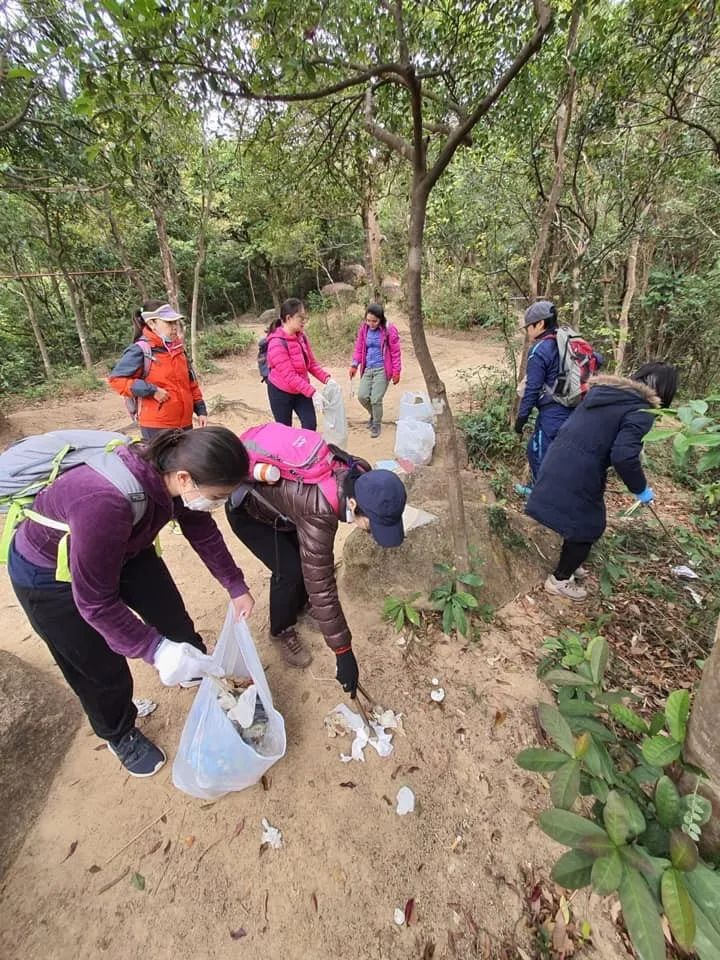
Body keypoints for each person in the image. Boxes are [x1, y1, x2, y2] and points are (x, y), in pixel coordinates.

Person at [7, 427, 255, 777]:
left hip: (126, 547)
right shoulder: (104, 501)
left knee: (171, 617)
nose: (215, 503)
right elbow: (95, 601)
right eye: (216, 496)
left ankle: (194, 666)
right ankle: (119, 732)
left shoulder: (176, 479)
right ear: (185, 478)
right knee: (99, 667)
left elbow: (201, 529)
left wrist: (235, 585)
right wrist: (155, 650)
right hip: (50, 575)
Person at [226, 441, 407, 695]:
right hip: (251, 512)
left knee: (302, 564)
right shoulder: (319, 512)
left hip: (286, 508)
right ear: (353, 505)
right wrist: (343, 653)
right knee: (290, 570)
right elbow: (321, 583)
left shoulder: (362, 472)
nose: (372, 533)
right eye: (372, 525)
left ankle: (300, 604)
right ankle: (281, 630)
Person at [526, 363, 678, 600]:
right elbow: (623, 456)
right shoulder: (641, 410)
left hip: (559, 455)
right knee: (589, 526)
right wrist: (641, 489)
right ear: (666, 391)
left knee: (576, 514)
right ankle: (560, 579)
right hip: (582, 467)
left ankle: (571, 562)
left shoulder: (606, 393)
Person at [109, 300, 208, 440]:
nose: (174, 327)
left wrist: (201, 410)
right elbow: (116, 380)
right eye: (169, 323)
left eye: (175, 322)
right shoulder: (140, 350)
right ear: (151, 324)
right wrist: (152, 390)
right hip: (157, 427)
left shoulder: (178, 349)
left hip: (185, 423)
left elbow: (190, 383)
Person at [514, 301, 575, 493]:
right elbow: (597, 359)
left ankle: (541, 499)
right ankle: (543, 492)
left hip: (553, 413)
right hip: (576, 409)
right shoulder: (569, 342)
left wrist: (521, 419)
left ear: (540, 324)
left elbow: (532, 389)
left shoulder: (540, 350)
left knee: (539, 453)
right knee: (562, 457)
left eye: (528, 327)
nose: (527, 331)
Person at [266, 298, 334, 431]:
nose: (304, 321)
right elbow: (290, 376)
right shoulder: (276, 343)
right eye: (300, 317)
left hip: (301, 389)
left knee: (310, 425)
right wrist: (313, 392)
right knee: (285, 431)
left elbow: (311, 364)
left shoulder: (301, 337)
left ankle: (307, 451)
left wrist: (327, 379)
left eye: (305, 317)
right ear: (288, 318)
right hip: (280, 392)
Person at [348, 303, 402, 438]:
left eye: (374, 321)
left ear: (381, 319)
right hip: (368, 368)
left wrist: (396, 371)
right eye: (368, 320)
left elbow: (395, 352)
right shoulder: (364, 329)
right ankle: (374, 414)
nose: (371, 323)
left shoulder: (389, 330)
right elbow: (359, 347)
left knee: (376, 399)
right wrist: (354, 364)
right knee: (362, 396)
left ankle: (376, 423)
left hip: (382, 369)